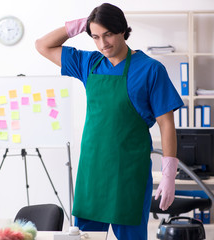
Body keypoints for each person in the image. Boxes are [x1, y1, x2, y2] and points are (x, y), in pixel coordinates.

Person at [35, 3, 184, 240]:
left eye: (108, 34)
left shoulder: (150, 69)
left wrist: (168, 174)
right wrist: (82, 24)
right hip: (92, 172)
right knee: (86, 237)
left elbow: (166, 124)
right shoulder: (88, 63)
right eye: (95, 37)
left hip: (129, 172)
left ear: (123, 30)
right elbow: (42, 45)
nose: (103, 44)